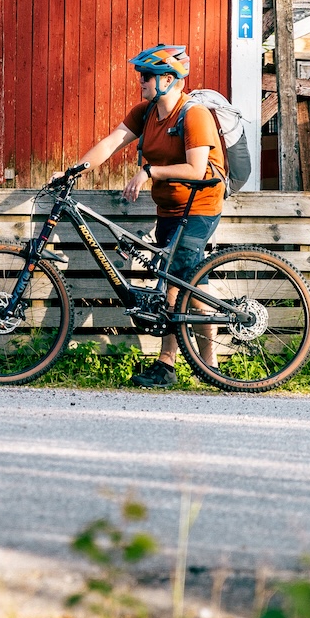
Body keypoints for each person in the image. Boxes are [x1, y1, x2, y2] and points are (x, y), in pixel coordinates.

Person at [64, 43, 226, 388]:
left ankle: (166, 365)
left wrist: (149, 171)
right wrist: (72, 171)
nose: (140, 82)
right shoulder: (146, 112)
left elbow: (197, 170)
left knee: (173, 281)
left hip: (199, 207)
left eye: (146, 77)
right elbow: (111, 143)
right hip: (169, 209)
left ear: (168, 79)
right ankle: (210, 368)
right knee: (192, 286)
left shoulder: (194, 114)